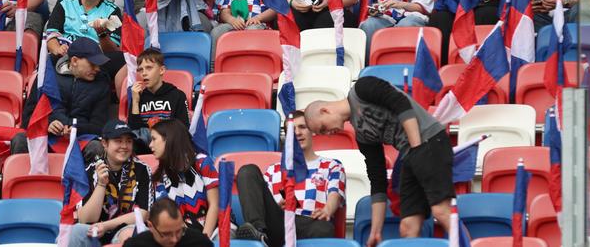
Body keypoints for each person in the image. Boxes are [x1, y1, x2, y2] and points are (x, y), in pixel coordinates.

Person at [303, 76, 454, 246]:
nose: (327, 134)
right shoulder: (362, 135)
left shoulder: (361, 88)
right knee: (408, 227)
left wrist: (416, 148)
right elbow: (378, 179)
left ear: (325, 110)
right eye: (322, 134)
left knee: (441, 211)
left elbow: (400, 102)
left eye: (323, 128)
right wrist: (375, 231)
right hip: (410, 154)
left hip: (430, 141)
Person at [235, 110, 346, 247]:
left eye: (302, 127)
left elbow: (335, 194)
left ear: (312, 131)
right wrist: (277, 206)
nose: (297, 133)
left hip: (308, 222)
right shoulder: (273, 170)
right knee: (247, 171)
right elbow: (263, 204)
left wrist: (327, 210)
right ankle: (258, 234)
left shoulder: (331, 166)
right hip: (278, 223)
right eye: (292, 130)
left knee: (324, 228)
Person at [11, 37, 111, 163]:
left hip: (81, 139)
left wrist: (75, 128)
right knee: (20, 140)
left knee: (96, 148)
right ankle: (26, 182)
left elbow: (100, 127)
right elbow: (28, 118)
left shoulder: (102, 84)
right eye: (93, 64)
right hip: (47, 138)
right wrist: (47, 125)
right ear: (74, 61)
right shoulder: (46, 76)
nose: (97, 69)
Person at [67, 119, 154, 247]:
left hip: (124, 229)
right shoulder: (89, 171)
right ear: (104, 143)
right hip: (94, 231)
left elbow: (143, 214)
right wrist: (101, 184)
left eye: (128, 141)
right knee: (75, 232)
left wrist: (106, 225)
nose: (124, 146)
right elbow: (85, 219)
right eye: (118, 141)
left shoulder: (142, 170)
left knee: (134, 234)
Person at [46, 0, 125, 79]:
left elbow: (112, 50)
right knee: (50, 58)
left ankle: (76, 71)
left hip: (96, 58)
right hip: (67, 54)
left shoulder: (112, 10)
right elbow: (51, 35)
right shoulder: (64, 3)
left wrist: (102, 34)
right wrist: (57, 48)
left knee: (120, 58)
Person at [150, 119, 219, 239]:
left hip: (215, 227)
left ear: (169, 139)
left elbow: (215, 205)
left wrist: (204, 240)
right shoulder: (159, 176)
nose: (150, 145)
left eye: (154, 139)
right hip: (182, 233)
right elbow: (170, 216)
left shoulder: (202, 162)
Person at [129, 48, 190, 152]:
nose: (144, 73)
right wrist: (135, 101)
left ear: (161, 70)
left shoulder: (177, 95)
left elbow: (182, 128)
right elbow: (134, 130)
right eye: (140, 70)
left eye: (149, 68)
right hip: (144, 147)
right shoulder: (138, 96)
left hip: (169, 145)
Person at [123, 198, 212, 247]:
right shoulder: (135, 245)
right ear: (151, 226)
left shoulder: (200, 242)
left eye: (179, 231)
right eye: (166, 234)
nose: (174, 239)